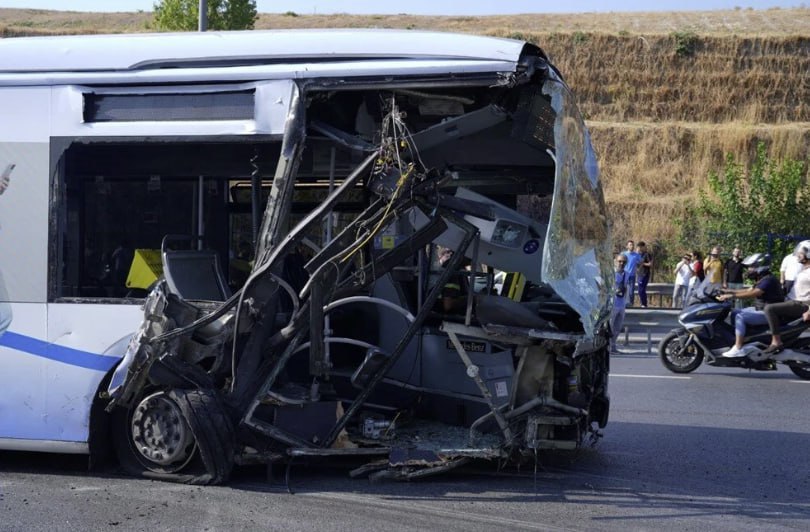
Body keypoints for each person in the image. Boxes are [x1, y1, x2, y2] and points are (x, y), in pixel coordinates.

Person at [718, 253, 783, 357]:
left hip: (768, 313)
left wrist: (731, 296)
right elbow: (748, 290)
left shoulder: (768, 280)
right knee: (734, 312)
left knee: (740, 317)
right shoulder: (762, 278)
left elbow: (753, 293)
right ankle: (744, 339)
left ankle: (738, 347)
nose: (749, 269)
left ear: (760, 266)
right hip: (760, 309)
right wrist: (726, 291)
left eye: (751, 267)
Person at [762, 245, 810, 354]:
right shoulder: (804, 269)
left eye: (801, 253)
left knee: (769, 309)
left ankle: (776, 341)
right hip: (791, 301)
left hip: (801, 304)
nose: (798, 255)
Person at [610, 254, 629, 353]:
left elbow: (626, 287)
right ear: (615, 261)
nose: (622, 263)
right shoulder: (610, 273)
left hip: (621, 304)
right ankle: (607, 347)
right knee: (610, 327)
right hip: (612, 304)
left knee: (618, 327)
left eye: (624, 262)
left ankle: (613, 346)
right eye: (620, 261)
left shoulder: (627, 274)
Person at [621, 240, 642, 306]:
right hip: (624, 275)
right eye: (630, 245)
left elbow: (641, 262)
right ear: (627, 246)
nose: (632, 246)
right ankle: (622, 304)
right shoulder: (623, 254)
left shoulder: (636, 255)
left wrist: (638, 269)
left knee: (631, 291)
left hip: (632, 276)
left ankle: (631, 305)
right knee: (623, 290)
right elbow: (618, 261)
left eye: (632, 245)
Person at [636, 241, 653, 308]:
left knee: (642, 290)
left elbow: (650, 264)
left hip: (645, 274)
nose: (639, 248)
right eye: (638, 247)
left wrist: (642, 263)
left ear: (643, 247)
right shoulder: (639, 255)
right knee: (640, 290)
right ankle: (643, 303)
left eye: (640, 247)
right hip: (639, 274)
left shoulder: (647, 254)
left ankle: (644, 304)